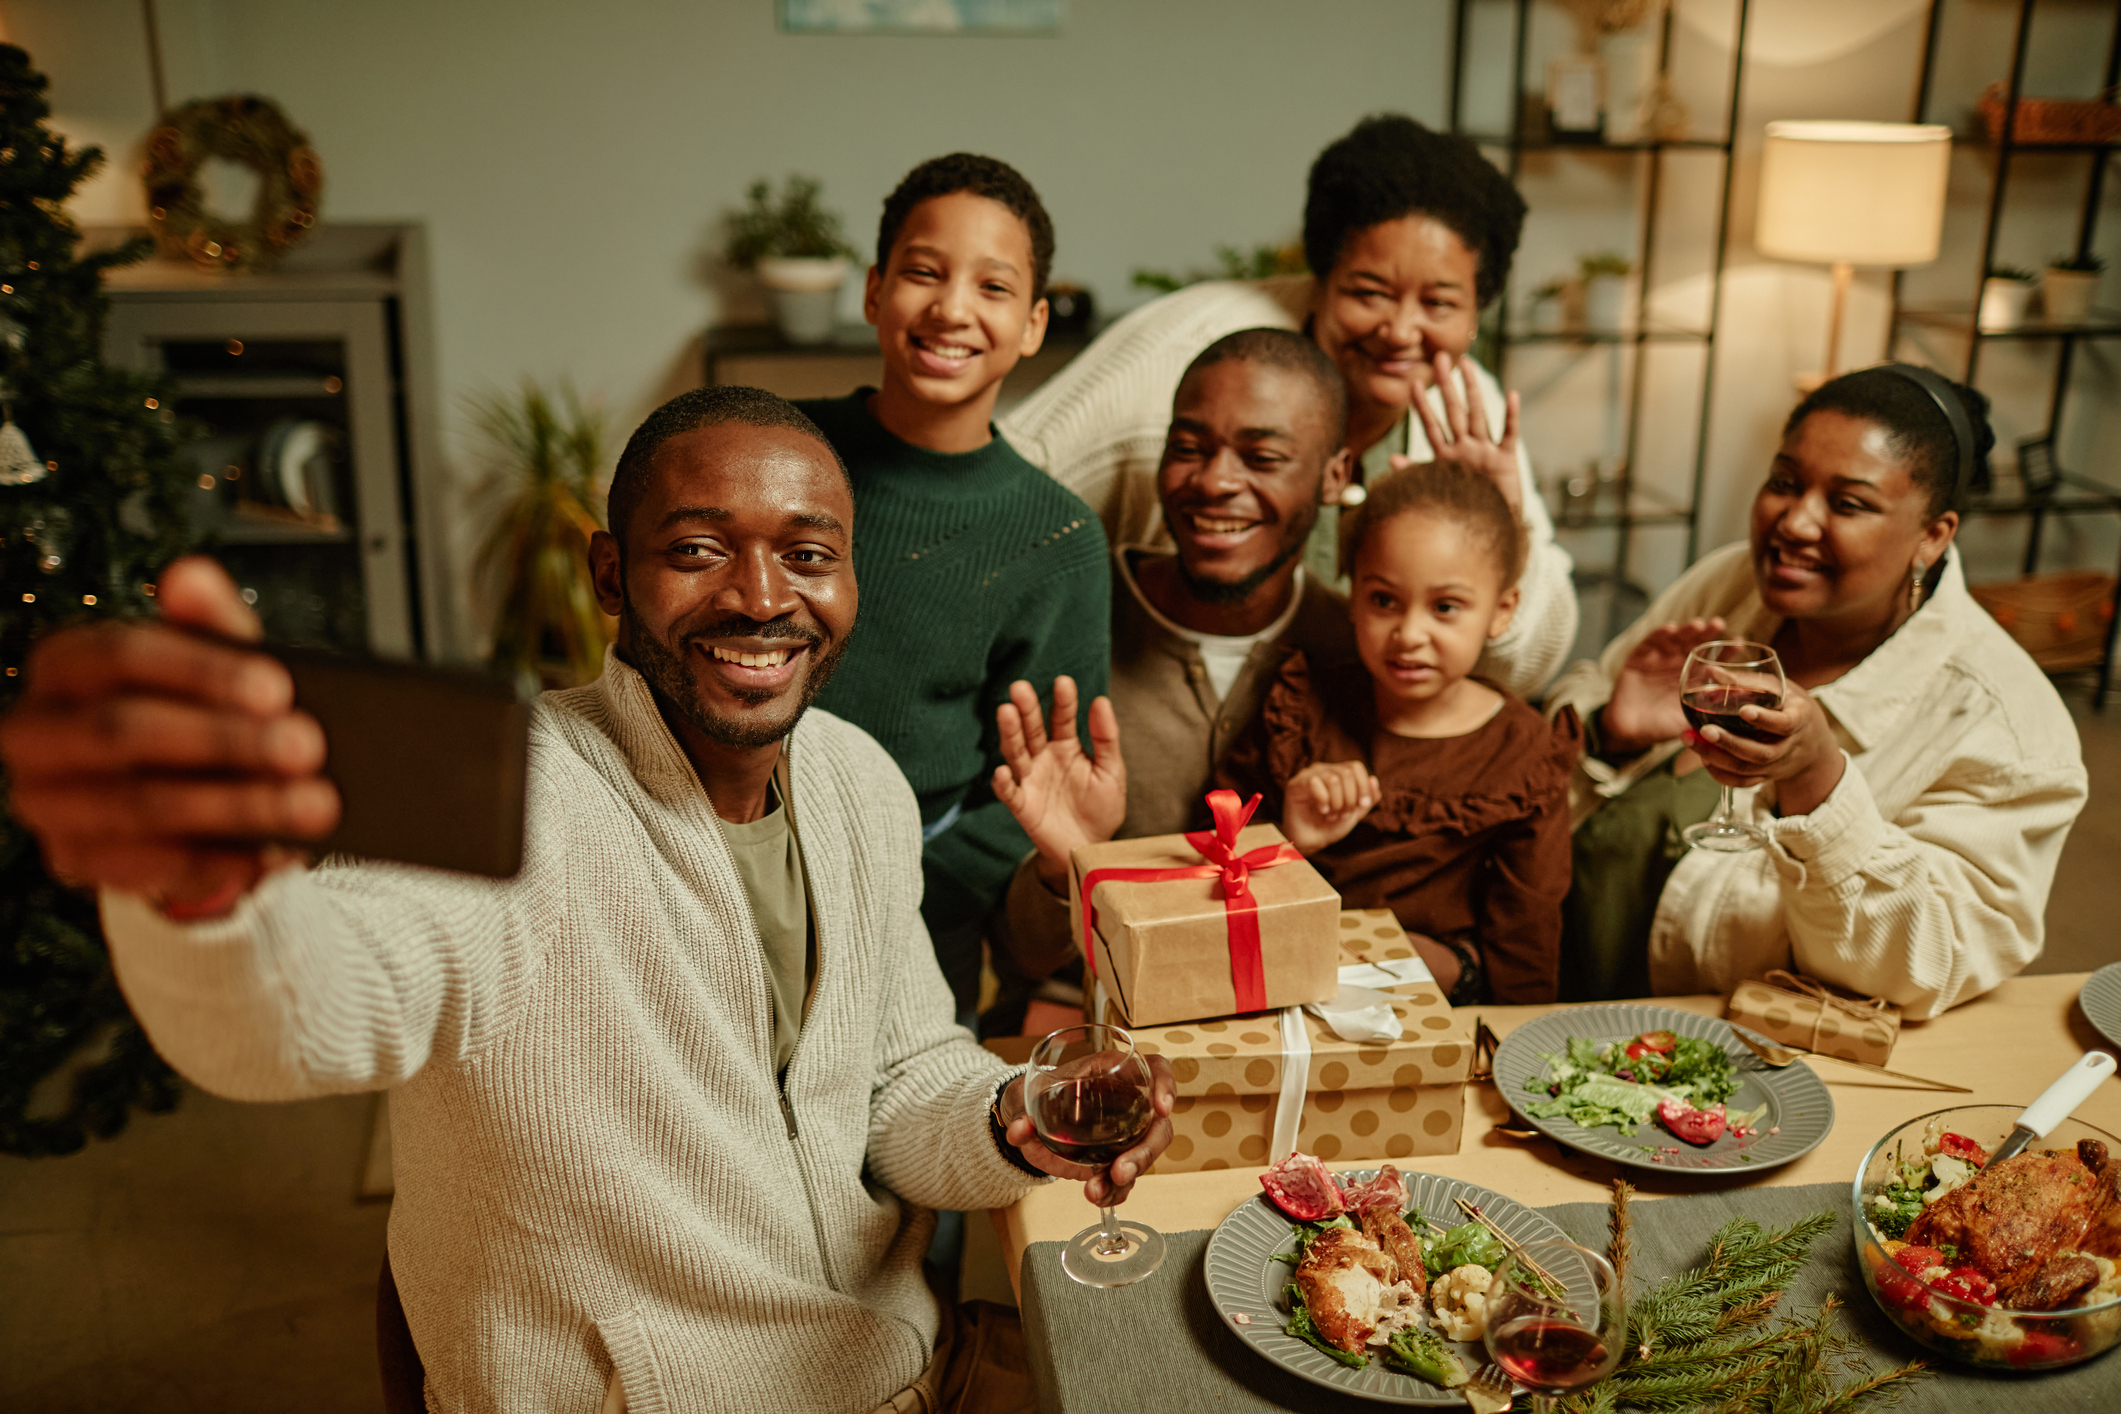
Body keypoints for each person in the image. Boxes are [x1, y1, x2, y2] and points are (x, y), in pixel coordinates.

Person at [0, 386, 1174, 1413]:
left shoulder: (860, 781)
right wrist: (199, 894)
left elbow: (903, 1080)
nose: (762, 597)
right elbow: (296, 1016)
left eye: (809, 554)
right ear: (612, 573)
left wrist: (1015, 1113)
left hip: (894, 1361)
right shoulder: (510, 802)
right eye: (699, 548)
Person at [1546, 365, 2087, 1018]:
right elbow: (1569, 705)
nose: (1794, 523)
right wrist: (1609, 729)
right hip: (1546, 981)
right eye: (1783, 482)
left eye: (1848, 503)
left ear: (1932, 535)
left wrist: (1819, 785)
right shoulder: (1729, 584)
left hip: (1710, 1058)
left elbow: (1930, 962)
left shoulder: (2008, 728)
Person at [1000, 112, 1576, 700]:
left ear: (1477, 311)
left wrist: (1505, 533)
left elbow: (1527, 667)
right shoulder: (1185, 364)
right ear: (1322, 275)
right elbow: (997, 501)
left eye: (1439, 303)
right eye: (1369, 293)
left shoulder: (1469, 418)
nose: (1401, 331)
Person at [799, 153, 1110, 1023]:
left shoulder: (1057, 540)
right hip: (719, 876)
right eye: (923, 274)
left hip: (916, 922)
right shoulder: (777, 451)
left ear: (1034, 323)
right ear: (873, 292)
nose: (951, 308)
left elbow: (1040, 784)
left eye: (993, 286)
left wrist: (905, 882)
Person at [978, 327, 1358, 1013]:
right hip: (1085, 1027)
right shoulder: (1076, 613)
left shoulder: (1357, 648)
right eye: (1187, 449)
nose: (1213, 481)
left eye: (1262, 456)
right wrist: (1065, 865)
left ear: (1335, 474)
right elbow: (1021, 955)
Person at [1214, 464, 1579, 1005]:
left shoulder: (1524, 754)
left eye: (1445, 608)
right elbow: (1211, 867)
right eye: (1384, 600)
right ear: (1352, 591)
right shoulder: (1301, 705)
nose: (1409, 635)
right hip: (1278, 990)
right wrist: (1286, 834)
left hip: (1434, 1008)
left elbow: (1526, 935)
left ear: (1502, 611)